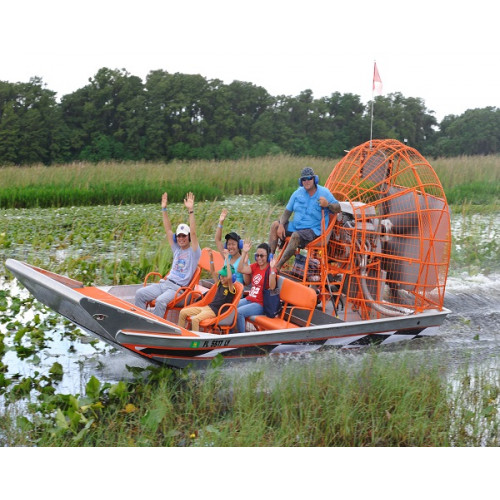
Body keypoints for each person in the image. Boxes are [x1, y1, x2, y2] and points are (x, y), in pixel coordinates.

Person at [135, 192, 201, 318]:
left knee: (160, 301)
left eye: (184, 236)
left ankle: (156, 328)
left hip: (177, 290)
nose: (181, 238)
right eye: (179, 236)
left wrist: (191, 211)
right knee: (139, 294)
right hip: (165, 284)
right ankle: (140, 321)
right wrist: (164, 209)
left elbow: (193, 233)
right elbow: (168, 230)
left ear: (188, 237)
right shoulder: (177, 249)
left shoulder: (194, 252)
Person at [269, 166, 340, 272]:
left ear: (314, 179)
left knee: (296, 236)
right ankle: (270, 260)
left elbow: (338, 208)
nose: (307, 181)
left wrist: (327, 204)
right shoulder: (297, 193)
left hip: (314, 231)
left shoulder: (324, 192)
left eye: (309, 178)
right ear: (301, 181)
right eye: (304, 179)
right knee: (275, 225)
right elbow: (286, 213)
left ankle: (277, 267)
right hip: (296, 227)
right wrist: (281, 225)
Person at [178, 249, 236, 331]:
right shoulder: (220, 284)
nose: (221, 277)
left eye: (224, 276)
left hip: (214, 312)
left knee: (195, 320)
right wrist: (211, 258)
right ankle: (181, 333)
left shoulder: (230, 288)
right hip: (207, 307)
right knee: (182, 312)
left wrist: (227, 259)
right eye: (221, 275)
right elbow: (212, 271)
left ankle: (195, 340)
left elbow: (229, 277)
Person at [235, 240, 278, 333]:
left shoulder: (270, 269)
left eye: (262, 255)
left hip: (260, 304)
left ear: (268, 256)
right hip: (250, 299)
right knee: (231, 307)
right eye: (257, 255)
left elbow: (272, 286)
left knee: (239, 313)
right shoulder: (255, 266)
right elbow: (240, 269)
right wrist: (244, 253)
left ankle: (240, 339)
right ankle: (230, 334)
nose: (259, 258)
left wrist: (272, 269)